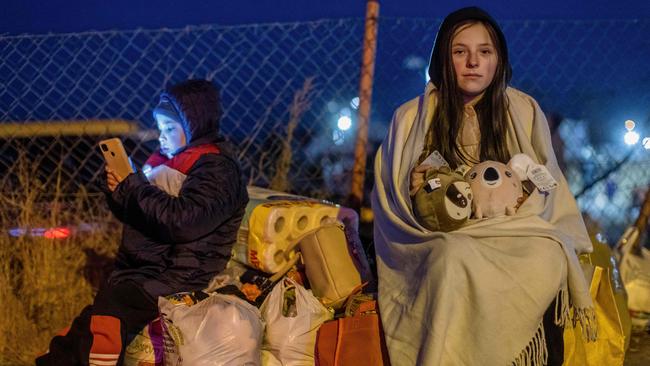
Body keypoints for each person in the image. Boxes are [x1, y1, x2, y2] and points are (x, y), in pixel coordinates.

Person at [371, 7, 596, 366]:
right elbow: (392, 199)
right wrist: (416, 191)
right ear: (444, 58)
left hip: (513, 228)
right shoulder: (412, 117)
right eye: (460, 51)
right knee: (452, 257)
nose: (473, 62)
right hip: (443, 234)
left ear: (499, 59)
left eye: (485, 51)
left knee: (547, 255)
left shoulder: (522, 109)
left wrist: (520, 200)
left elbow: (546, 185)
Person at [36, 79, 249, 365]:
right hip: (151, 268)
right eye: (160, 129)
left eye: (170, 129)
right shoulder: (167, 160)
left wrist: (134, 187)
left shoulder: (216, 169)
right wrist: (118, 191)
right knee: (91, 319)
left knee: (112, 310)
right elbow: (142, 209)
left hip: (185, 273)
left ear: (195, 126)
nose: (162, 137)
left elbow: (182, 221)